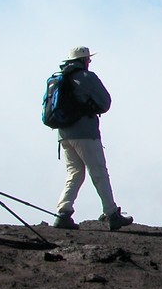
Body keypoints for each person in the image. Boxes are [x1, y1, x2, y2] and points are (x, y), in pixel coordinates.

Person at [52, 47, 133, 230]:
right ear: (84, 60)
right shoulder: (87, 77)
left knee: (74, 173)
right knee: (99, 172)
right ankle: (112, 214)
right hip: (85, 133)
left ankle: (62, 213)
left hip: (64, 134)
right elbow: (105, 102)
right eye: (88, 59)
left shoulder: (60, 78)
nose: (89, 62)